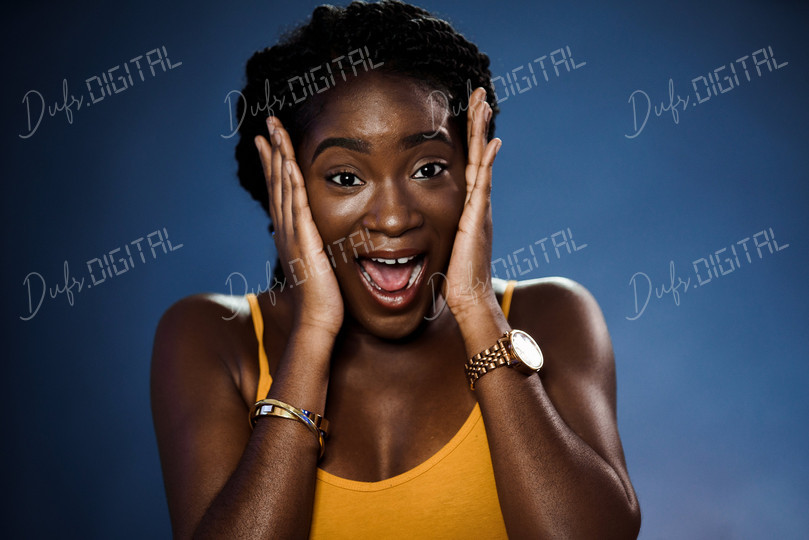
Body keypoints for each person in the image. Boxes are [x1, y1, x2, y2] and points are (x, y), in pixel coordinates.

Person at [150, 1, 641, 538]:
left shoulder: (550, 314)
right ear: (280, 190)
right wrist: (313, 332)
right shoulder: (212, 338)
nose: (393, 217)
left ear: (474, 173)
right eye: (344, 177)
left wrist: (477, 309)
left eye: (428, 168)